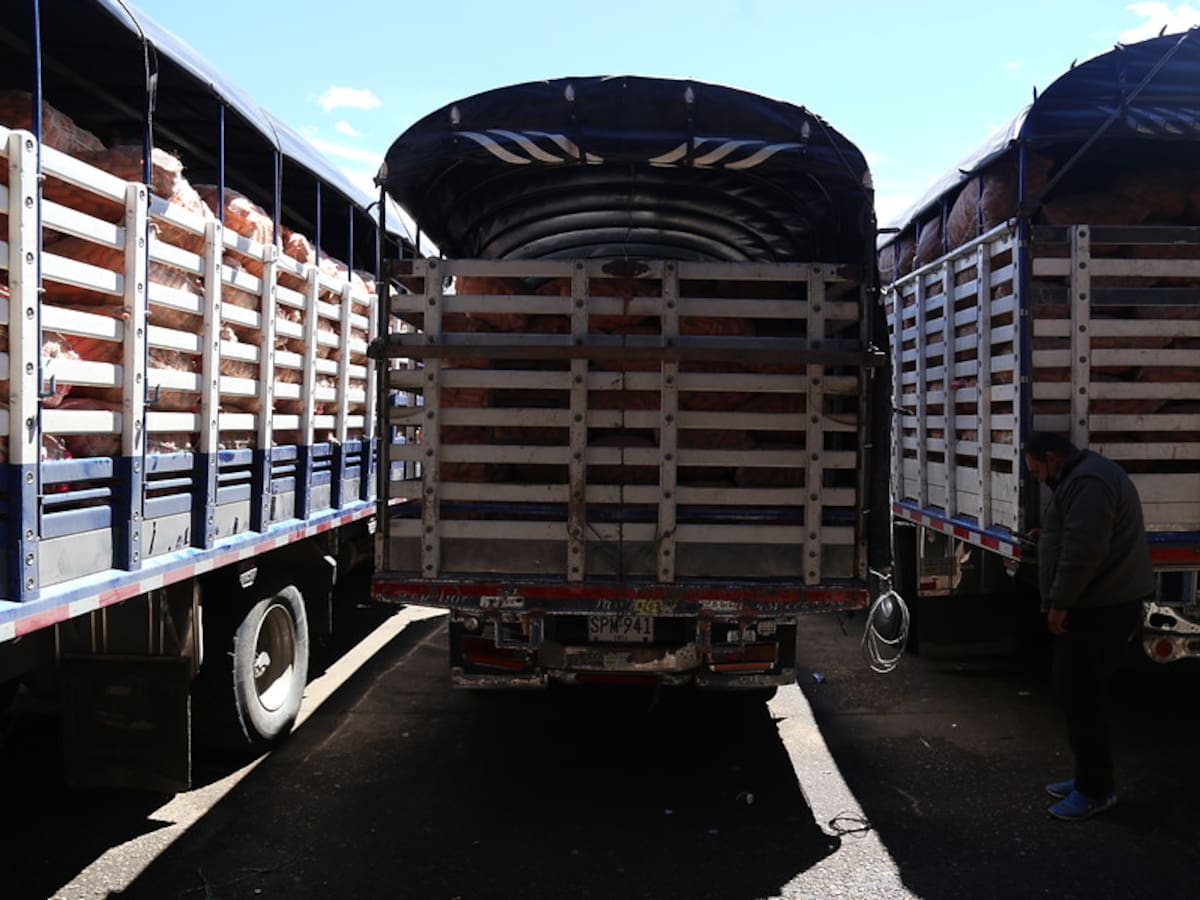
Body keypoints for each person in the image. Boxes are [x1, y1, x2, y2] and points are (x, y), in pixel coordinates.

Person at [1024, 431, 1155, 821]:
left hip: (1100, 608)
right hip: (1102, 604)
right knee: (1078, 693)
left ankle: (1095, 790)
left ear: (1051, 457)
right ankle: (1087, 778)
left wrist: (1060, 604)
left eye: (1038, 472)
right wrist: (1050, 536)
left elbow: (1085, 551)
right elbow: (1081, 533)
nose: (1040, 480)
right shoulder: (1085, 476)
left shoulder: (1088, 482)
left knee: (1082, 695)